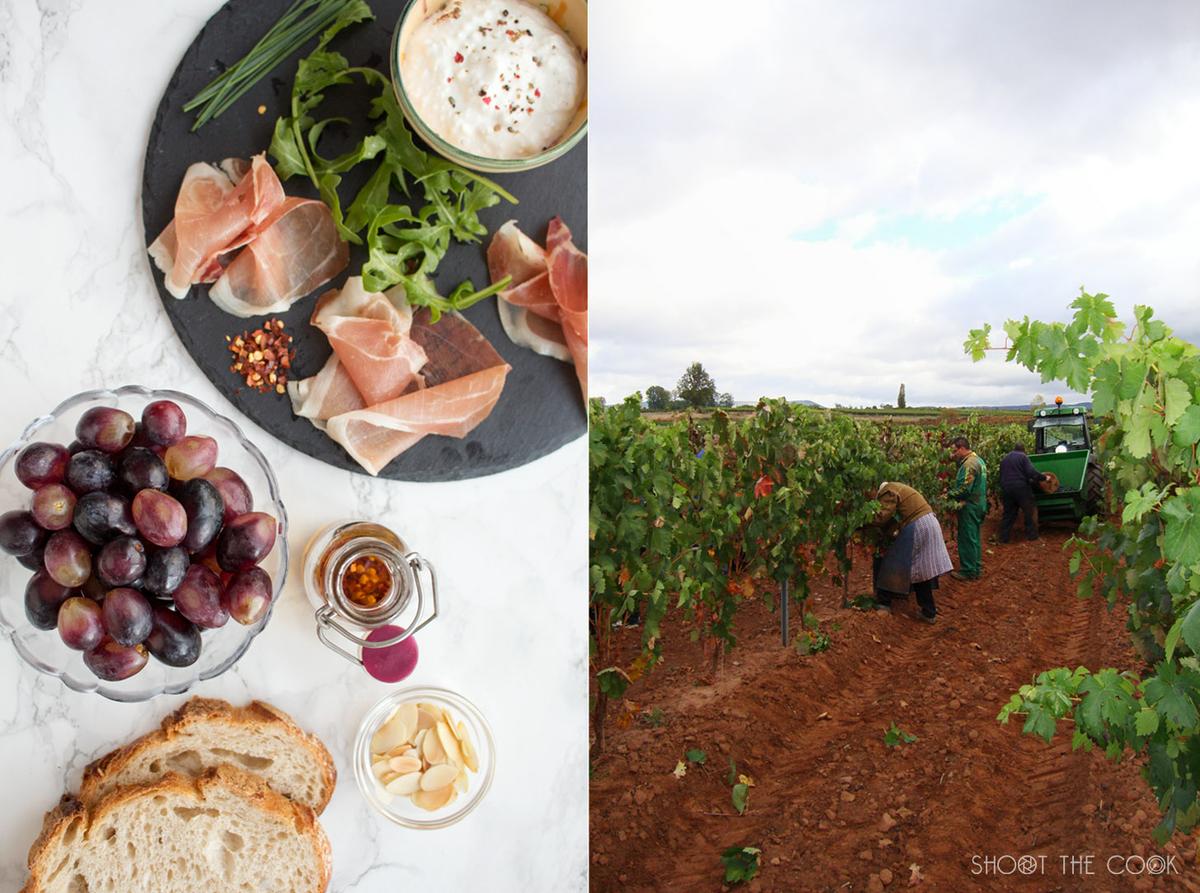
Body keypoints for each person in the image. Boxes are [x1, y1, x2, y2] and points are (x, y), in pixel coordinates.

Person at [869, 481, 954, 624]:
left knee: (893, 561)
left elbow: (882, 516)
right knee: (921, 568)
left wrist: (862, 522)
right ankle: (929, 612)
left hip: (918, 525)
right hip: (930, 522)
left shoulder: (888, 491)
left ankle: (884, 602)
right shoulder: (900, 488)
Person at [947, 436, 987, 581]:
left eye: (955, 451)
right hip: (979, 504)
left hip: (969, 505)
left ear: (962, 448)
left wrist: (948, 495)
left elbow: (965, 489)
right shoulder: (979, 460)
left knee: (966, 538)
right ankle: (975, 567)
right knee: (974, 536)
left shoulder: (968, 465)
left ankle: (968, 571)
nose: (953, 454)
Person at [997, 443, 1049, 543]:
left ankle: (1003, 538)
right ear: (1023, 450)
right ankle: (1032, 536)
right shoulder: (1023, 457)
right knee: (1029, 511)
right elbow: (1031, 472)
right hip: (1020, 488)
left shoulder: (1005, 459)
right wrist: (1044, 478)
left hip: (1006, 488)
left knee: (1008, 514)